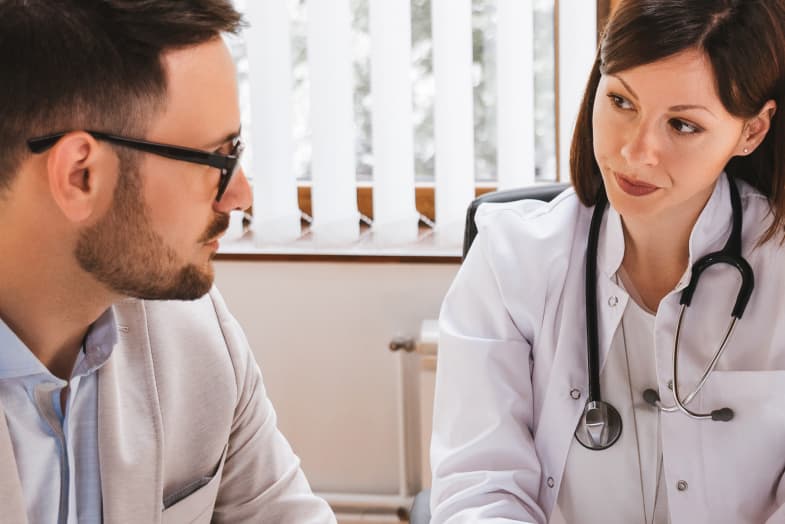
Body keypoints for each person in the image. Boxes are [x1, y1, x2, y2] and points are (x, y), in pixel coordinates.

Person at [430, 0, 785, 522]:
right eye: (621, 101)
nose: (636, 152)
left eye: (683, 126)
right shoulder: (512, 259)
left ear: (751, 132)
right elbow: (480, 489)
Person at [0, 1, 336, 522]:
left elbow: (279, 511)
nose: (240, 195)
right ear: (80, 175)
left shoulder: (198, 333)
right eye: (219, 159)